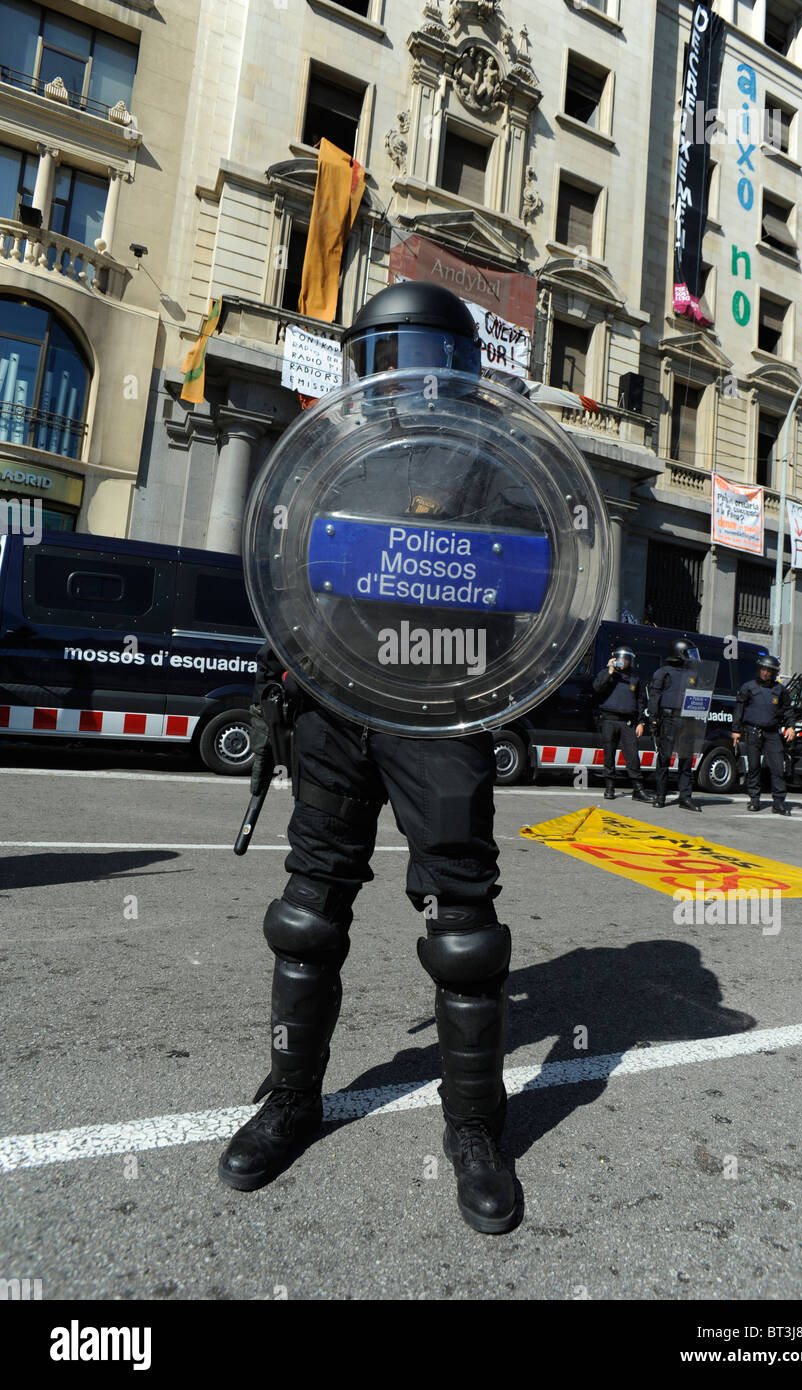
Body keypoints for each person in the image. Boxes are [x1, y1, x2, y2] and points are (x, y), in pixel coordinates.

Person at [218, 283, 520, 1235]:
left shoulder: (491, 459)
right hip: (330, 703)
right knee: (306, 914)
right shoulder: (327, 451)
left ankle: (476, 1127)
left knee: (463, 929)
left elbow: (525, 587)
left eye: (407, 351)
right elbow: (282, 570)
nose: (392, 374)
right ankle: (290, 1098)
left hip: (437, 706)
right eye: (376, 355)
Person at [732, 653, 795, 815]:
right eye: (763, 669)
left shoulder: (780, 690)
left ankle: (779, 802)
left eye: (768, 670)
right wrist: (736, 730)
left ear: (774, 673)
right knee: (753, 767)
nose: (765, 673)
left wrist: (791, 727)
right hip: (752, 732)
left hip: (772, 733)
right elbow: (739, 709)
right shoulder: (748, 687)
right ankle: (754, 799)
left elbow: (787, 711)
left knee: (777, 768)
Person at [647, 638, 703, 812]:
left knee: (686, 762)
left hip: (688, 720)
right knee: (664, 759)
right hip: (669, 719)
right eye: (689, 653)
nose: (693, 658)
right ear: (679, 653)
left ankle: (685, 798)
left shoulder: (694, 675)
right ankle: (660, 796)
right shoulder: (663, 672)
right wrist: (653, 719)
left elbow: (700, 697)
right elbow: (655, 697)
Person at [592, 647, 651, 801]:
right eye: (620, 658)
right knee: (609, 755)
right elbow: (597, 687)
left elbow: (640, 701)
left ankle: (638, 790)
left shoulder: (634, 676)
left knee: (632, 755)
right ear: (615, 658)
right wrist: (609, 670)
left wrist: (641, 722)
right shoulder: (608, 673)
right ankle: (609, 788)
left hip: (628, 722)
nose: (623, 661)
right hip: (609, 720)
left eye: (626, 659)